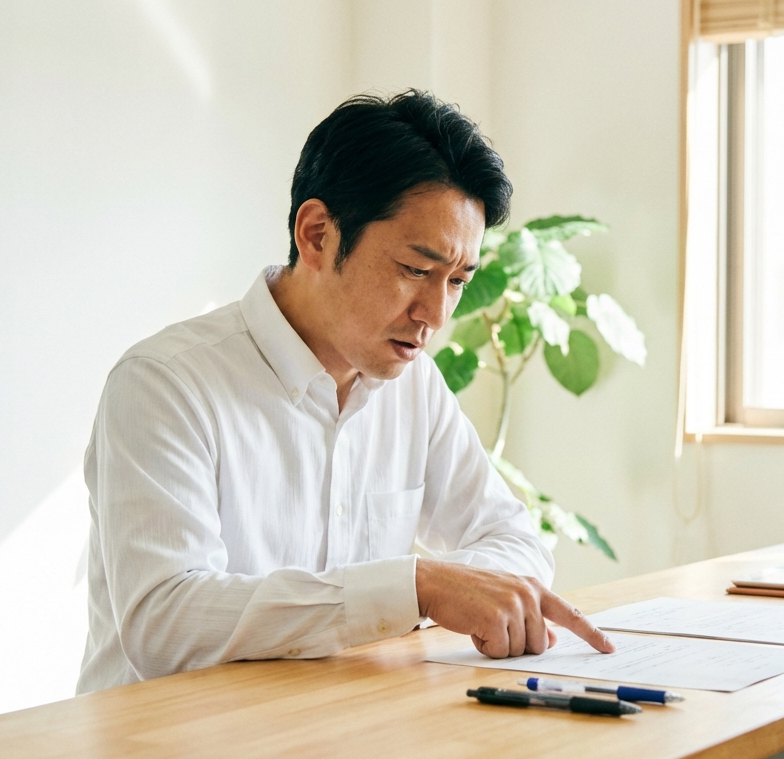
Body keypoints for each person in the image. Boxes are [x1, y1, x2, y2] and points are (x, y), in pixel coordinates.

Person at [77, 91, 614, 694]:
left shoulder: (413, 389)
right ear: (317, 234)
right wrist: (416, 588)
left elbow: (513, 538)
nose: (435, 315)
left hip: (337, 731)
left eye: (458, 280)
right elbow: (165, 623)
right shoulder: (165, 384)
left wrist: (472, 590)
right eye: (415, 270)